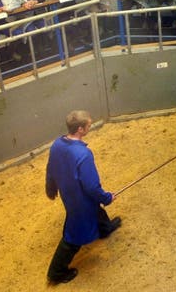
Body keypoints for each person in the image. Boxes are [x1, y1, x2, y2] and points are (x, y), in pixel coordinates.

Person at [45, 110, 120, 284]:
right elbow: (91, 187)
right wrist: (107, 198)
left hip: (68, 192)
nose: (90, 126)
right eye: (88, 125)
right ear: (80, 129)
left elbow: (51, 167)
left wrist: (51, 186)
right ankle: (56, 272)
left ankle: (105, 228)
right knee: (75, 233)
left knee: (94, 210)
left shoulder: (57, 144)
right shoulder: (84, 155)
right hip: (80, 198)